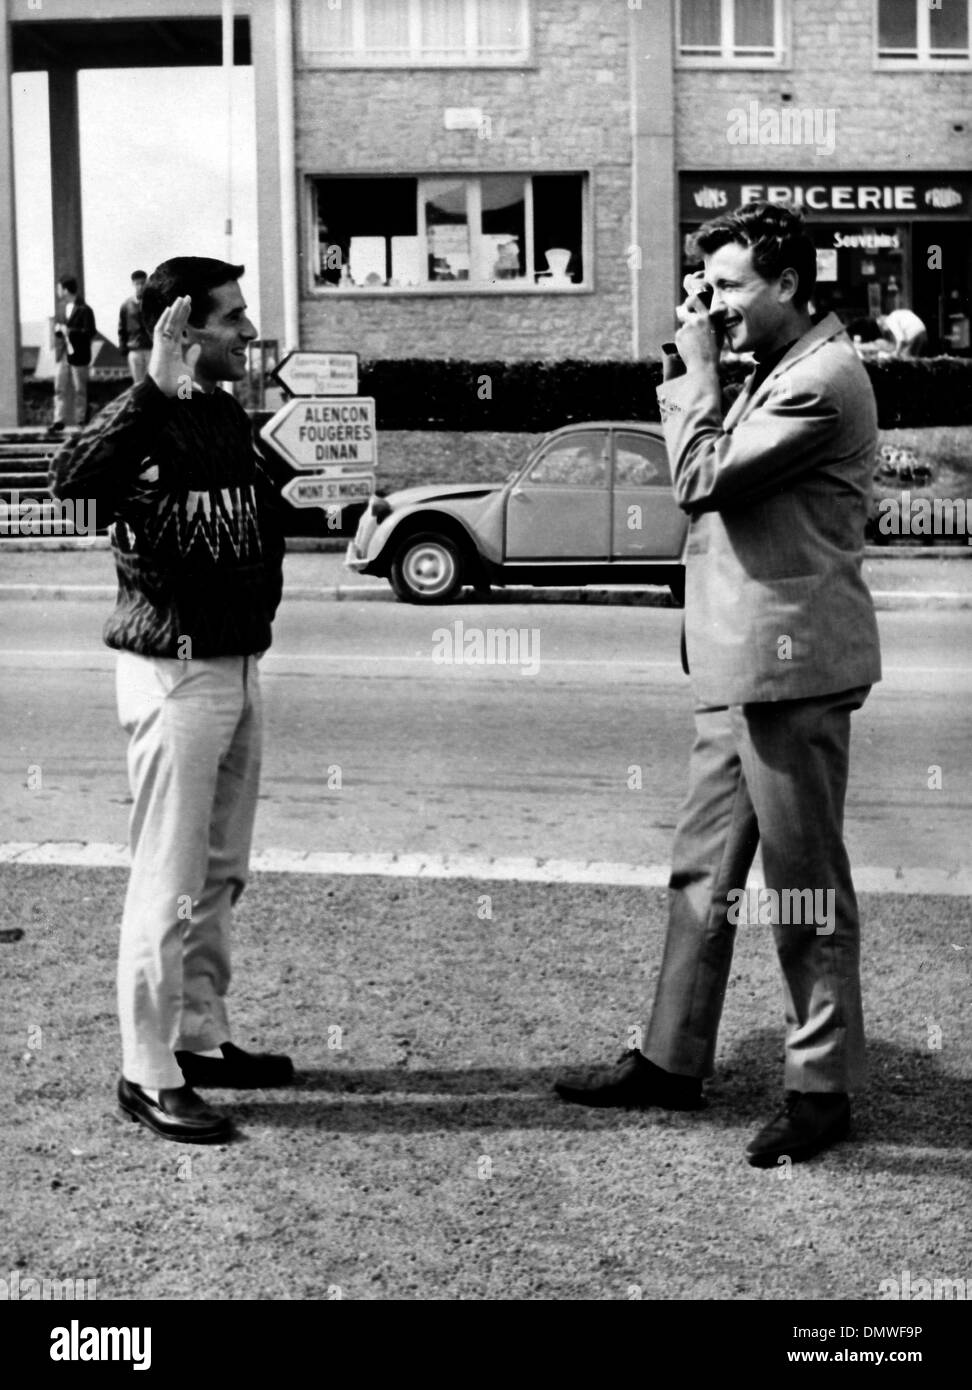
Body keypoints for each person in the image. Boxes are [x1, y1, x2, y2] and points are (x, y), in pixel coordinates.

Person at [555, 202, 882, 1167]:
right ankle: (670, 1057)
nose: (716, 304)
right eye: (711, 287)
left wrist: (696, 372)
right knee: (703, 874)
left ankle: (821, 1090)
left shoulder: (822, 381)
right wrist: (696, 364)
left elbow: (700, 478)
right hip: (737, 667)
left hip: (791, 672)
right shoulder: (779, 366)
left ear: (789, 284)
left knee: (802, 889)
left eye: (734, 285)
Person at [49, 257, 293, 1145]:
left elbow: (242, 522)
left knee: (220, 868)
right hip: (174, 671)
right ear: (183, 329)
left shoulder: (222, 413)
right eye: (229, 318)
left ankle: (199, 1035)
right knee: (168, 874)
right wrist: (147, 389)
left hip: (236, 665)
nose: (246, 330)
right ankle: (145, 1071)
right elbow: (68, 478)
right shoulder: (146, 416)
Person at [50, 274, 96, 433]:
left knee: (79, 389)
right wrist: (58, 332)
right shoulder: (61, 308)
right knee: (59, 388)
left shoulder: (85, 310)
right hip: (63, 354)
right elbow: (59, 328)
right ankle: (58, 420)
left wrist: (70, 331)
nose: (57, 291)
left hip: (79, 354)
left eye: (59, 288)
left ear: (65, 289)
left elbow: (90, 331)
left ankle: (80, 419)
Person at [117, 269, 152, 383]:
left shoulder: (154, 303)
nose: (140, 286)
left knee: (152, 383)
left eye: (143, 283)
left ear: (147, 283)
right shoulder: (126, 306)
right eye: (138, 284)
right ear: (133, 284)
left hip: (151, 349)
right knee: (138, 384)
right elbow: (121, 328)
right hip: (134, 349)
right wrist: (123, 348)